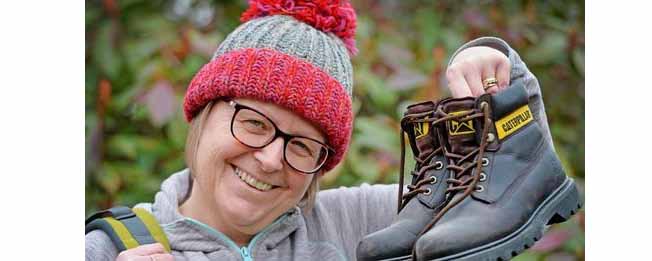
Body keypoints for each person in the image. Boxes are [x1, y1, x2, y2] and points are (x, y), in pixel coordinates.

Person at [85, 0, 551, 260]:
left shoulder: (356, 224)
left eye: (303, 145)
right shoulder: (108, 249)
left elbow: (500, 193)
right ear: (203, 113)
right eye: (253, 123)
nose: (269, 158)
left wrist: (493, 68)